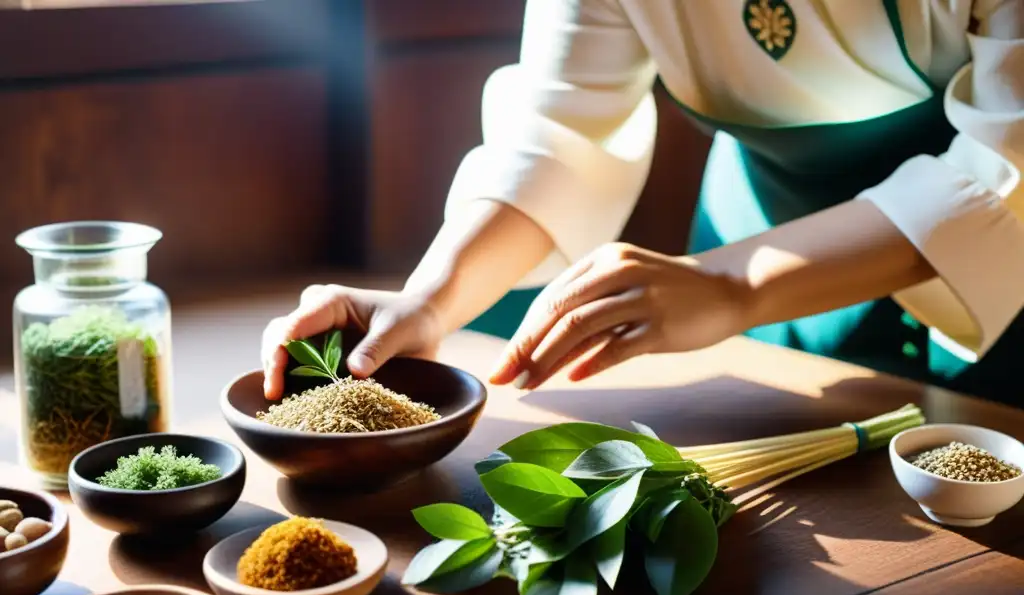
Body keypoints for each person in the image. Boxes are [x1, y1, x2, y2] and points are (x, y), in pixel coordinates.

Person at [263, 0, 1024, 407]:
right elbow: (562, 130)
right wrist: (429, 304)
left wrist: (732, 285)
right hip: (758, 232)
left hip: (986, 266)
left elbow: (1006, 159)